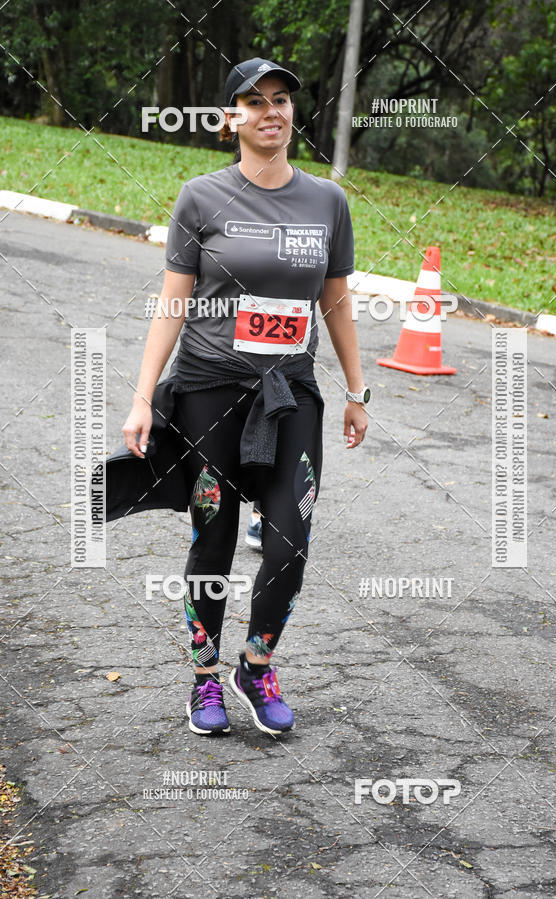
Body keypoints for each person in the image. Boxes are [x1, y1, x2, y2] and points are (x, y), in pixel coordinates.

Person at [119, 57, 370, 737]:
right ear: (231, 118)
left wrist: (356, 390)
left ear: (293, 112)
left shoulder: (327, 202)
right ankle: (205, 677)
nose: (271, 112)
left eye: (281, 99)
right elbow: (172, 305)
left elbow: (336, 302)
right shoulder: (201, 197)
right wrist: (143, 397)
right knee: (215, 539)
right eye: (255, 102)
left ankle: (255, 666)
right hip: (208, 391)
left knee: (290, 542)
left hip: (291, 393)